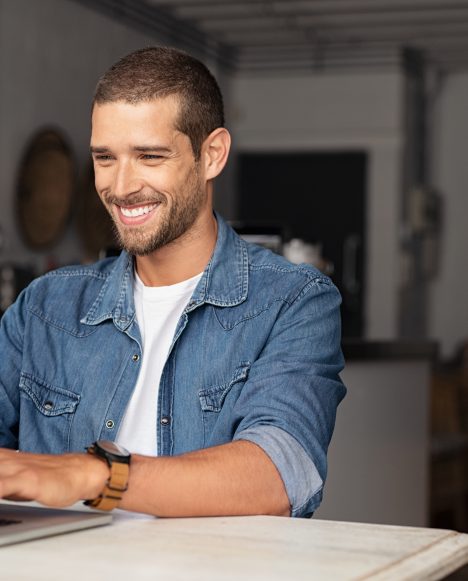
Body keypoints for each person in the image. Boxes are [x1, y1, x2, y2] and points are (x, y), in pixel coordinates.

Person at [0, 46, 345, 518]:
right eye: (105, 157)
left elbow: (276, 475)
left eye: (149, 156)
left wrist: (95, 475)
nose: (121, 187)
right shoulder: (44, 306)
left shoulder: (293, 302)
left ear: (212, 155)